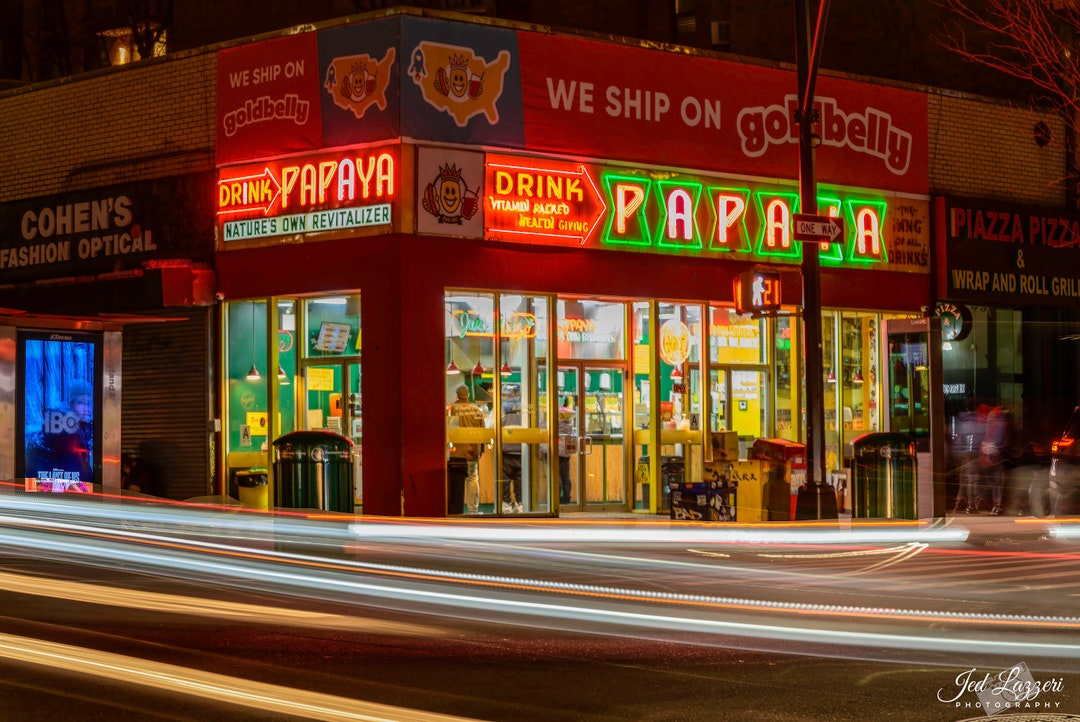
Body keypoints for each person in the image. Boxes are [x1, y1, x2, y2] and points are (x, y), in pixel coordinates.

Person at [447, 384, 485, 514]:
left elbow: (447, 430)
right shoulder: (476, 410)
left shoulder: (451, 409)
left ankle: (455, 511)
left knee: (455, 481)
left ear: (456, 395)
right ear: (468, 395)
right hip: (471, 451)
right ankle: (473, 511)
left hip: (454, 453)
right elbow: (482, 432)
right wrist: (481, 450)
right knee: (472, 478)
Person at [952, 396, 984, 513]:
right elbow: (981, 438)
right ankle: (972, 505)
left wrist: (958, 452)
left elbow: (957, 438)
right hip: (973, 453)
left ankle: (959, 503)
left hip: (962, 453)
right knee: (973, 480)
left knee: (964, 479)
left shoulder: (961, 420)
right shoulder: (979, 421)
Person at [501, 390, 523, 513]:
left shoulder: (502, 407)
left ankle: (506, 505)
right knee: (520, 480)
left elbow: (492, 425)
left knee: (505, 480)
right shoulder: (525, 408)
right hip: (522, 449)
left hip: (506, 450)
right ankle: (520, 504)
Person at [557, 396, 575, 504]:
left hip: (555, 448)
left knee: (555, 475)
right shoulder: (569, 415)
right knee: (565, 475)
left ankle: (556, 498)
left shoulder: (555, 413)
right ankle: (566, 498)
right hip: (566, 450)